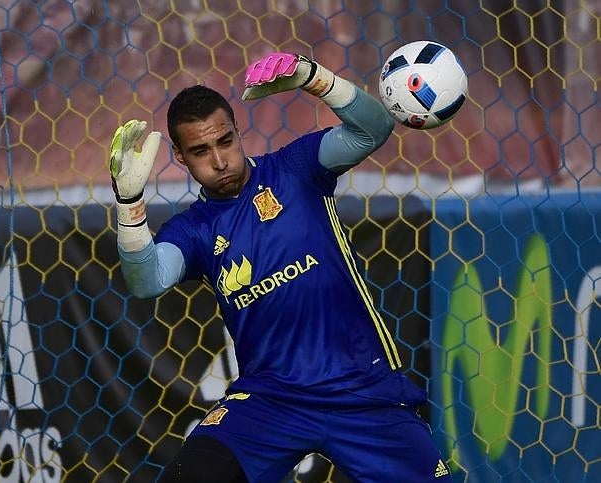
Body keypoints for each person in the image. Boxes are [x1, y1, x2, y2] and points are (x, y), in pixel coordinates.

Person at [109, 53, 452, 482]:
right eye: (200, 151)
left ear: (238, 132)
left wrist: (313, 77)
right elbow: (147, 281)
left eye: (225, 141)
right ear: (179, 156)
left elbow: (375, 128)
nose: (219, 160)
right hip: (271, 400)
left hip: (363, 390)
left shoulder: (295, 169)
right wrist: (129, 207)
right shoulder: (193, 230)